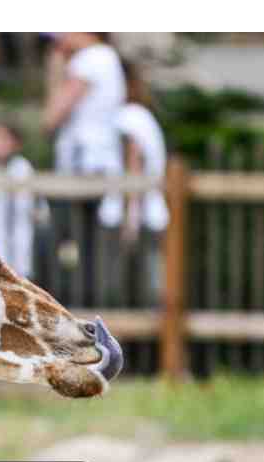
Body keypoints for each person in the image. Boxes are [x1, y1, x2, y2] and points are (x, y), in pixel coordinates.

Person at [42, 33, 126, 305]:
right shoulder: (109, 58)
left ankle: (73, 312)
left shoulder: (88, 61)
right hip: (100, 166)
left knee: (63, 251)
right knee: (90, 253)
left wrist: (55, 71)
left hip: (81, 171)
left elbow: (52, 118)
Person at [114, 59, 168, 306]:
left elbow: (133, 164)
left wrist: (131, 218)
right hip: (154, 214)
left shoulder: (129, 116)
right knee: (153, 287)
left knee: (128, 293)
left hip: (137, 216)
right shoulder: (144, 115)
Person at [0, 120, 37, 279]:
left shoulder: (21, 169)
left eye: (0, 138)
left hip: (18, 260)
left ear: (15, 143)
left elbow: (22, 217)